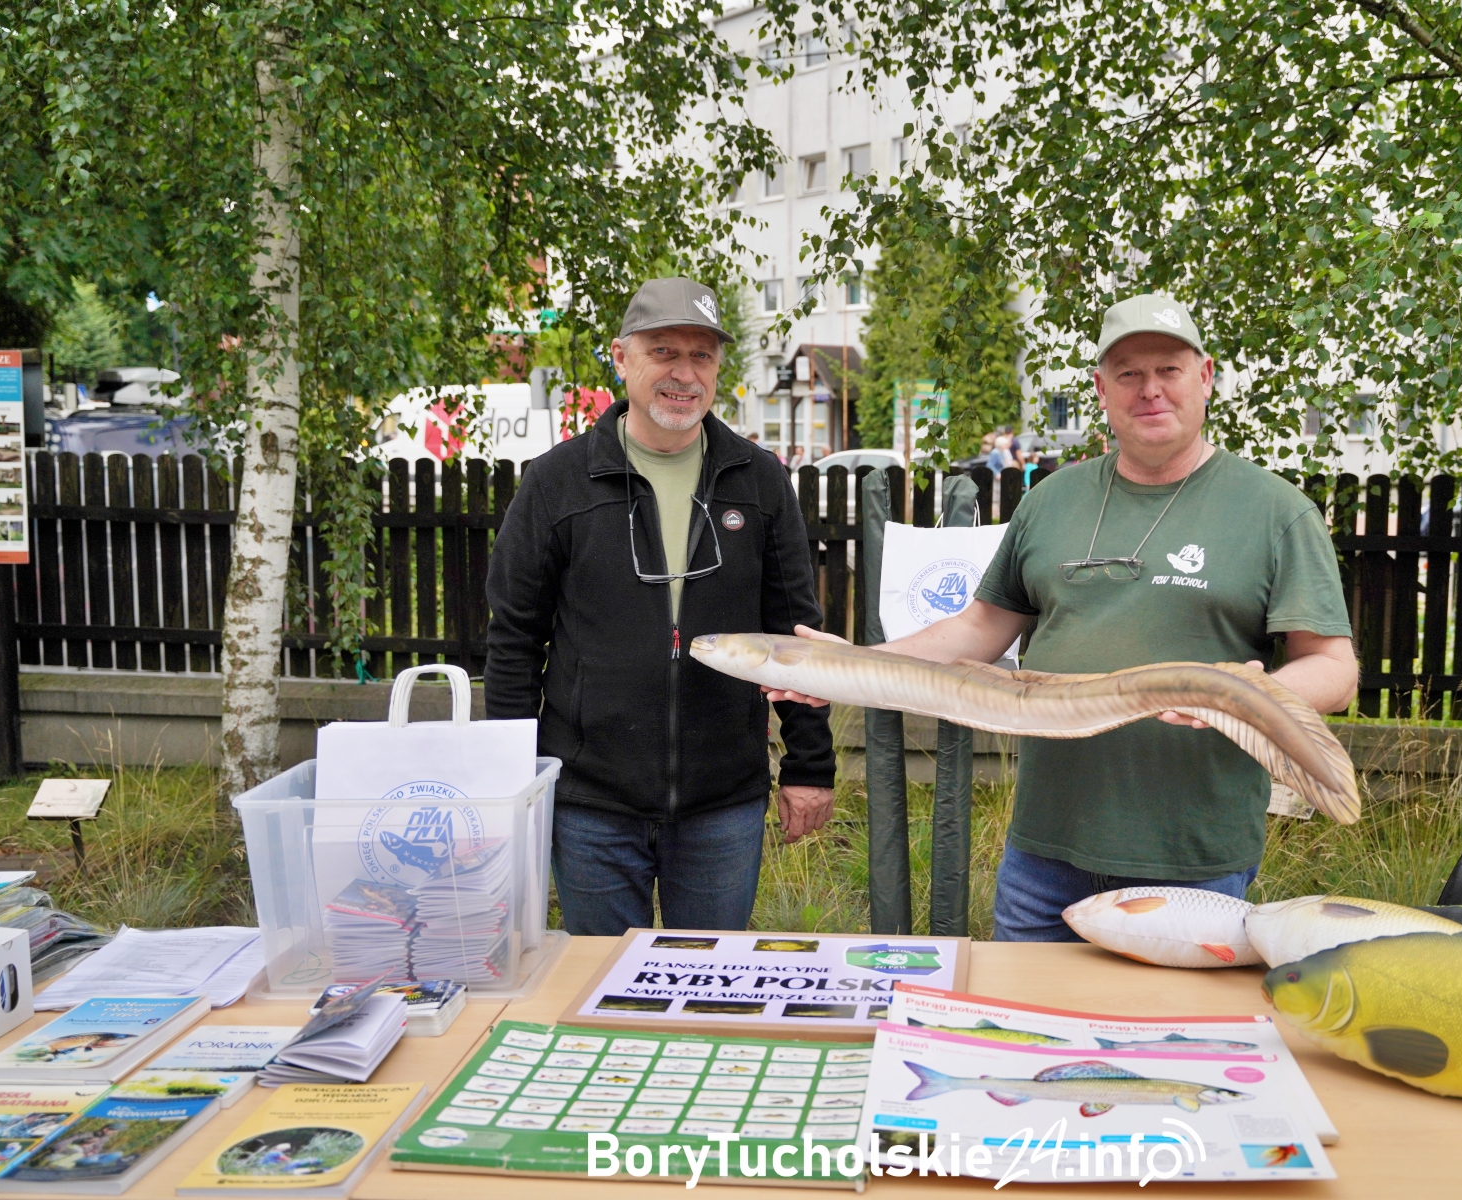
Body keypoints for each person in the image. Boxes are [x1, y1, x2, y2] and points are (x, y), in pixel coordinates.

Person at [767, 292, 1357, 940]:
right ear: (1101, 388)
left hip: (1192, 862)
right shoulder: (1051, 502)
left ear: (1206, 376)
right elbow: (977, 629)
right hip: (1043, 856)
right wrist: (845, 667)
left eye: (1169, 370)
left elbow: (1334, 669)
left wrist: (1251, 691)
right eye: (1129, 373)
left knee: (1165, 1041)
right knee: (1025, 1030)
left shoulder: (1275, 511)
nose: (1150, 390)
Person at [486, 277, 837, 935]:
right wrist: (513, 782)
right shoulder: (557, 483)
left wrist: (808, 765)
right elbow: (514, 640)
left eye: (701, 356)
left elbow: (795, 638)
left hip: (722, 803)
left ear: (719, 369)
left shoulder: (757, 481)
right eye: (663, 352)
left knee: (704, 990)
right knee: (604, 991)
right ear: (621, 358)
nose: (683, 374)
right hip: (591, 804)